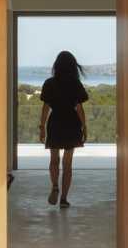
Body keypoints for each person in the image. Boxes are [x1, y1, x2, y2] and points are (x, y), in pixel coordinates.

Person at [37, 50, 89, 208]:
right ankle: (64, 199)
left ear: (56, 66)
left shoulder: (49, 83)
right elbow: (79, 108)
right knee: (68, 164)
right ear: (73, 66)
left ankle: (55, 186)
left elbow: (45, 108)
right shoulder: (75, 84)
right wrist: (84, 127)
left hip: (55, 123)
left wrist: (42, 127)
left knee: (54, 160)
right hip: (72, 124)